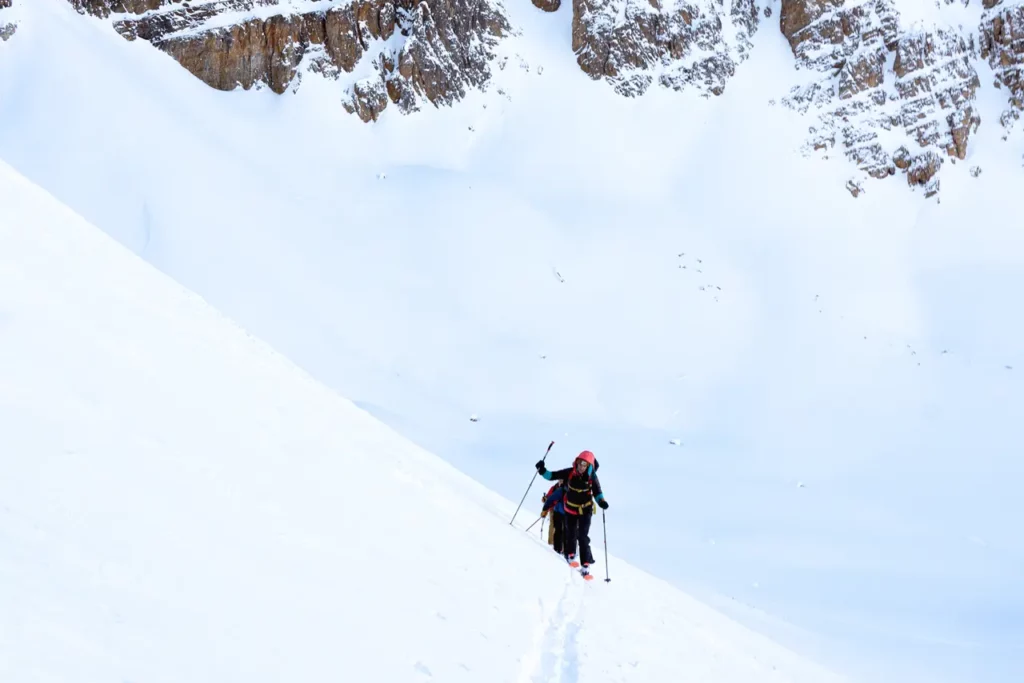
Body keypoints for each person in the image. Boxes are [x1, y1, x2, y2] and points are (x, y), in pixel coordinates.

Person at [536, 450, 608, 568]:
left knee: (583, 536)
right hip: (570, 509)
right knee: (570, 533)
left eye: (584, 464)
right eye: (579, 463)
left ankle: (585, 563)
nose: (581, 466)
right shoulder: (570, 472)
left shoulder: (592, 477)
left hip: (585, 511)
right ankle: (570, 555)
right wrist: (542, 470)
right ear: (576, 462)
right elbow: (552, 475)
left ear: (589, 465)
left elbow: (597, 492)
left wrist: (602, 502)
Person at [540, 480, 567, 553]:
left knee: (564, 530)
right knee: (553, 526)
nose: (561, 482)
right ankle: (551, 544)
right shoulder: (554, 488)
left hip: (563, 511)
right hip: (553, 509)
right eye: (560, 480)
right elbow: (549, 497)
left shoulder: (566, 488)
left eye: (562, 480)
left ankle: (564, 548)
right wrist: (545, 499)